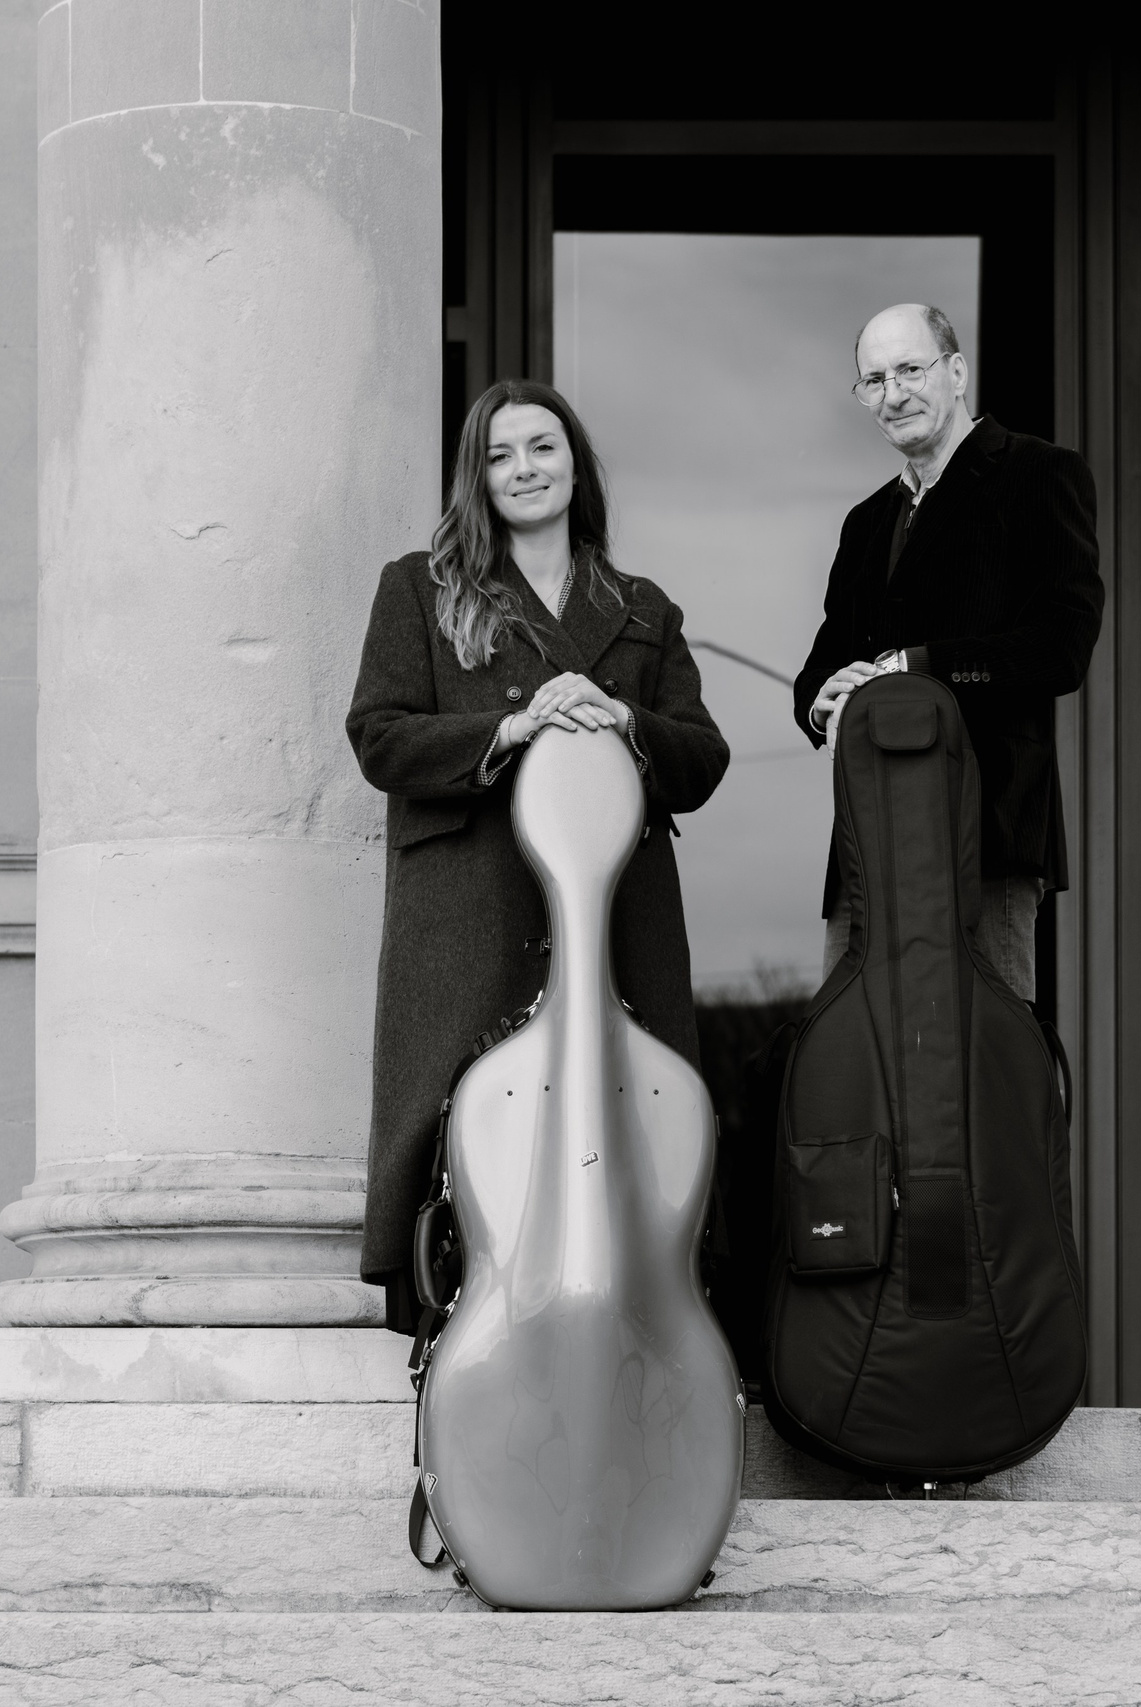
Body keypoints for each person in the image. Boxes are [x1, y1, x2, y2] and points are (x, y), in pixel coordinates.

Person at [347, 379, 729, 1329]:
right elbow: (380, 736)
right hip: (469, 916)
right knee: (468, 1159)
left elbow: (704, 757)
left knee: (622, 1146)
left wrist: (624, 720)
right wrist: (514, 724)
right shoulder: (420, 589)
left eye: (542, 448)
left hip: (616, 919)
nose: (524, 468)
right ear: (476, 477)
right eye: (500, 454)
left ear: (575, 465)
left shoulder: (642, 609)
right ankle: (448, 1445)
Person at [792, 303, 1103, 1000]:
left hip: (985, 831)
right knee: (855, 1071)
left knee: (983, 1071)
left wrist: (921, 668)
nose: (893, 393)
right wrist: (821, 698)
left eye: (909, 369)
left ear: (957, 371)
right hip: (867, 841)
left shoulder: (1040, 475)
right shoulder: (866, 522)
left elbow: (1062, 648)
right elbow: (819, 664)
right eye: (873, 380)